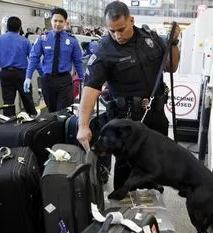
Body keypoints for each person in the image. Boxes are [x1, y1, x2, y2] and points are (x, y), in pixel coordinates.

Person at [76, 1, 180, 190]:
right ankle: (123, 207)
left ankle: (152, 201)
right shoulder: (104, 50)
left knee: (155, 161)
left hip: (155, 116)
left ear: (131, 20)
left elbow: (170, 66)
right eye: (112, 31)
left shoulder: (152, 39)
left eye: (121, 29)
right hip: (125, 121)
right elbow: (91, 87)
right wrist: (83, 125)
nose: (117, 36)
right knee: (126, 167)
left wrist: (173, 43)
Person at [24, 7, 84, 112]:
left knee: (63, 112)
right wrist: (28, 77)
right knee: (51, 112)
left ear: (65, 22)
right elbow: (34, 58)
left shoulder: (72, 40)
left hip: (64, 81)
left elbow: (78, 61)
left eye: (61, 21)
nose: (58, 24)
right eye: (55, 21)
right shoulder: (43, 39)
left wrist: (83, 80)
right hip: (47, 81)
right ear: (51, 21)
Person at [0, 16, 39, 117]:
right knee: (27, 98)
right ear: (20, 28)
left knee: (8, 102)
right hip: (22, 75)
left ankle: (9, 123)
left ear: (7, 27)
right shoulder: (25, 41)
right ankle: (32, 118)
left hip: (6, 74)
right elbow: (33, 59)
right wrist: (41, 72)